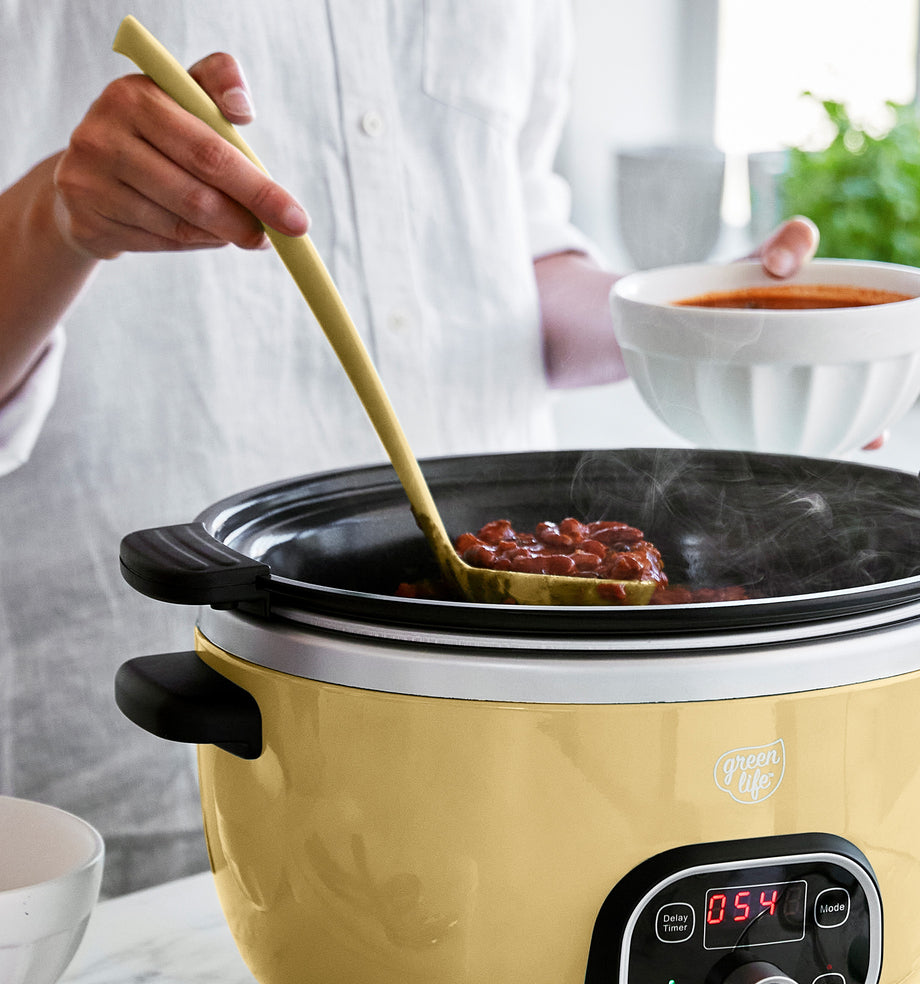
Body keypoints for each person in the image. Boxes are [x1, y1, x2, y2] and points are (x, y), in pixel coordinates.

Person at [0, 2, 820, 896]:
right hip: (155, 737)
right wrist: (56, 216)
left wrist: (711, 327)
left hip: (521, 725)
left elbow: (512, 268)